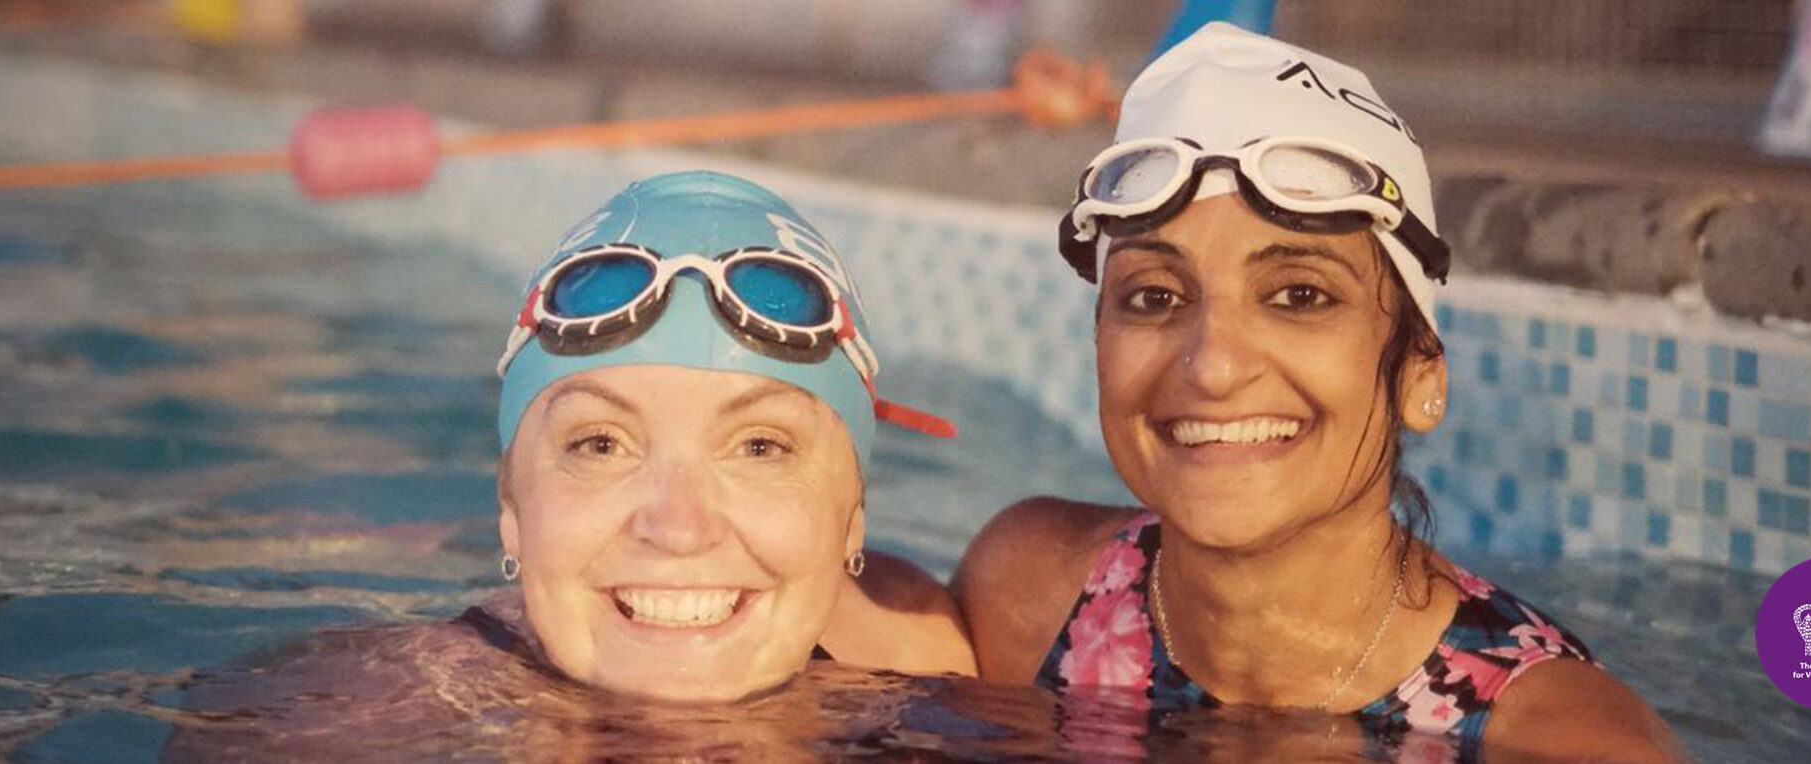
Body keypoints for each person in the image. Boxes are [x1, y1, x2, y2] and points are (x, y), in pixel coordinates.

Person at [950, 23, 1686, 762]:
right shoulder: (1029, 594)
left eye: (1300, 295)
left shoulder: (1557, 742)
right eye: (1154, 297)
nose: (1213, 368)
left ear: (1419, 374)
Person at [491, 169, 971, 702]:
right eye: (601, 445)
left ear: (852, 519)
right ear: (511, 510)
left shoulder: (925, 676)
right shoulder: (426, 714)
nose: (679, 531)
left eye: (760, 448)